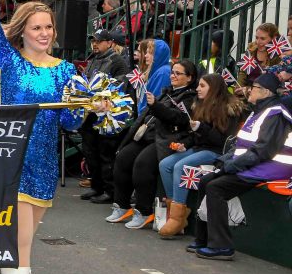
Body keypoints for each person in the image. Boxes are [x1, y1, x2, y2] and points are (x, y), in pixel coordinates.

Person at [0, 0, 84, 274]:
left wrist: (88, 106)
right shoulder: (8, 60)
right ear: (21, 30)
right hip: (9, 158)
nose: (43, 33)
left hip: (43, 163)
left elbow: (69, 121)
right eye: (36, 27)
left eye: (48, 27)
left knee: (24, 240)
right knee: (19, 240)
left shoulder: (66, 69)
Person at [192, 73, 292, 259]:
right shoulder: (260, 111)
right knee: (206, 180)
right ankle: (202, 239)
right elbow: (242, 145)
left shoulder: (275, 115)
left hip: (270, 168)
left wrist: (232, 165)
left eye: (253, 87)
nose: (248, 90)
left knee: (216, 188)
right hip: (255, 164)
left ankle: (222, 246)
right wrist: (224, 161)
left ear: (265, 92)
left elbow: (263, 151)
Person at [107, 58, 198, 229]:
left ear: (190, 78)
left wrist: (155, 105)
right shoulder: (167, 92)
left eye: (178, 73)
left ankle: (144, 210)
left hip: (166, 139)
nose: (173, 76)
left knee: (143, 165)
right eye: (173, 72)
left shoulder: (190, 98)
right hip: (147, 135)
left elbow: (178, 118)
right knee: (123, 159)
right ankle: (121, 205)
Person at [157, 73, 247, 238]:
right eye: (198, 85)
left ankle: (177, 216)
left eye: (202, 86)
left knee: (181, 166)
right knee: (165, 164)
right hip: (200, 148)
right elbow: (195, 137)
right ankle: (177, 214)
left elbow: (222, 141)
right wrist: (185, 144)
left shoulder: (229, 108)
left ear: (213, 89)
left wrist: (201, 129)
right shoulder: (200, 105)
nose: (197, 89)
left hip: (217, 152)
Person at [79, 29, 131, 204]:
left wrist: (104, 93)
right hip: (91, 110)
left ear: (109, 42)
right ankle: (97, 186)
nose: (95, 43)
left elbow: (122, 83)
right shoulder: (92, 59)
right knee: (90, 150)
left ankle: (109, 190)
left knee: (105, 152)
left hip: (107, 112)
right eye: (94, 40)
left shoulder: (117, 61)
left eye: (99, 41)